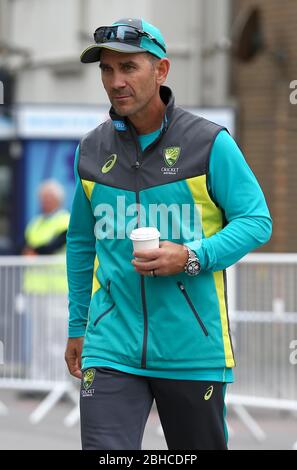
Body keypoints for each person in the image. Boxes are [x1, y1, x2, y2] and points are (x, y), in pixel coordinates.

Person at [65, 18, 272, 450]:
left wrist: (192, 256)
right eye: (107, 69)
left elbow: (256, 221)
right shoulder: (91, 150)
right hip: (110, 345)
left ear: (161, 70)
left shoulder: (209, 142)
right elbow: (82, 242)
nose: (116, 81)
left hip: (192, 348)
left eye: (129, 67)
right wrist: (78, 324)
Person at [22, 180, 70, 380]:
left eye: (49, 198)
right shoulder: (36, 222)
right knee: (38, 337)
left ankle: (57, 379)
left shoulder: (65, 220)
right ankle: (38, 379)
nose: (45, 202)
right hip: (35, 288)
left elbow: (50, 247)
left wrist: (35, 251)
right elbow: (24, 247)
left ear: (58, 200)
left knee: (56, 336)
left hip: (57, 288)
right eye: (42, 198)